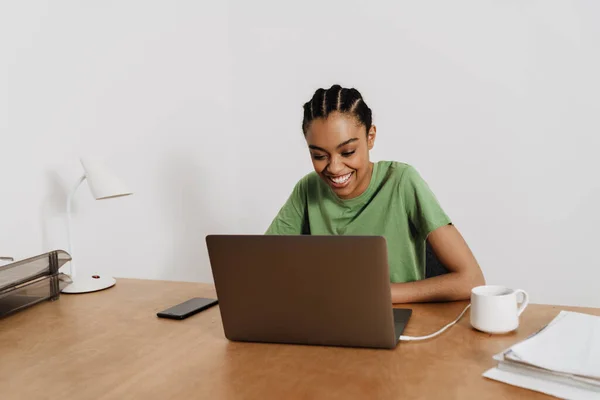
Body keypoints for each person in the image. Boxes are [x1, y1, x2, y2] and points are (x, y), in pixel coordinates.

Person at [265, 84, 485, 303]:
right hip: (328, 314)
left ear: (370, 137)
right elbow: (261, 267)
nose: (334, 167)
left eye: (348, 152)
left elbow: (471, 279)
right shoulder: (307, 189)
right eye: (319, 156)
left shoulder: (402, 181)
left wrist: (381, 294)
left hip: (400, 318)